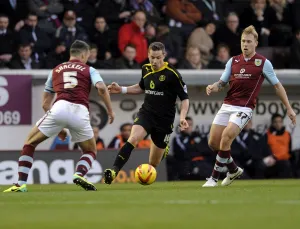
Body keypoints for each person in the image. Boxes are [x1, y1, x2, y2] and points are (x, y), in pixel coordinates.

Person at [3, 40, 114, 192]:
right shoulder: (89, 70)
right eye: (87, 55)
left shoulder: (55, 70)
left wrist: (58, 126)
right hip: (80, 112)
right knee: (90, 151)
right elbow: (101, 87)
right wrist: (109, 110)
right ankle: (79, 174)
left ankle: (20, 184)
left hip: (59, 108)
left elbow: (45, 104)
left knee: (29, 143)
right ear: (83, 54)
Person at [202, 25, 296, 187]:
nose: (245, 44)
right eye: (243, 41)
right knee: (213, 143)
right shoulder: (233, 61)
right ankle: (233, 169)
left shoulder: (263, 63)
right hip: (227, 105)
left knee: (226, 137)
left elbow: (277, 86)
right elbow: (222, 82)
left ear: (256, 43)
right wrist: (213, 86)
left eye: (248, 41)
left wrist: (288, 107)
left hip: (244, 108)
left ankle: (214, 178)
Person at [103, 42, 190, 184]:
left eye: (157, 58)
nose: (154, 61)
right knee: (133, 139)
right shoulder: (145, 68)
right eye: (151, 57)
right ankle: (113, 171)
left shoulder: (172, 74)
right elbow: (141, 87)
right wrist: (122, 90)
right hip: (147, 113)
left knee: (153, 164)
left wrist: (182, 117)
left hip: (164, 120)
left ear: (164, 56)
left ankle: (163, 148)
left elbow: (185, 98)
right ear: (148, 55)